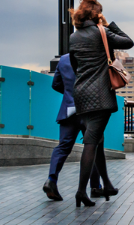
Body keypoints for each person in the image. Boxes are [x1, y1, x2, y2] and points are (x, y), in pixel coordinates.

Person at [69, 0, 134, 207]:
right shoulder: (102, 32)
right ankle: (80, 191)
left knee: (97, 140)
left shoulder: (74, 37)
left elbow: (74, 64)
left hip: (81, 94)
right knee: (91, 143)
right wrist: (107, 24)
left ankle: (106, 183)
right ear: (97, 14)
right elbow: (128, 42)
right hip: (100, 96)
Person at [43, 53, 102, 202]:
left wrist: (70, 94)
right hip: (90, 110)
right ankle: (95, 187)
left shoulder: (63, 59)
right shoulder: (94, 55)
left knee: (63, 147)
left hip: (69, 110)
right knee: (93, 146)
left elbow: (55, 84)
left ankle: (51, 180)